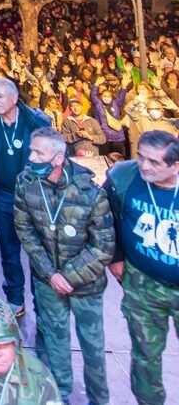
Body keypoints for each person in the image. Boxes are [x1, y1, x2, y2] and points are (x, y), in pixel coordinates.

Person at [13, 127, 113, 405]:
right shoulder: (26, 183)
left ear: (57, 159)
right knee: (55, 343)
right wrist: (50, 274)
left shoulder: (91, 193)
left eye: (38, 153)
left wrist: (67, 276)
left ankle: (99, 399)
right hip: (48, 282)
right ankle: (59, 396)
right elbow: (25, 231)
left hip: (86, 285)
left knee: (93, 347)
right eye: (31, 150)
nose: (31, 157)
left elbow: (103, 246)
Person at [104, 130, 179, 405]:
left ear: (176, 165)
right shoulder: (123, 177)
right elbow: (104, 216)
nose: (144, 166)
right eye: (141, 157)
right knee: (145, 355)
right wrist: (115, 255)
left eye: (154, 162)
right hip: (143, 284)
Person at [0, 78, 50, 316]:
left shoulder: (36, 122)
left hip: (33, 197)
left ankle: (41, 302)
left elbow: (51, 155)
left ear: (14, 99)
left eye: (0, 96)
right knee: (8, 249)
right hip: (2, 196)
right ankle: (15, 298)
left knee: (37, 250)